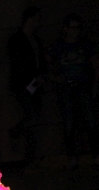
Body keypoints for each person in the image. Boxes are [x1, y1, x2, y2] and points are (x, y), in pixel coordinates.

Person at [47, 13, 99, 169]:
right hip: (66, 88)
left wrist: (95, 86)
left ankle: (95, 154)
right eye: (72, 28)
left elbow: (96, 65)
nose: (75, 31)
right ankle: (72, 156)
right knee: (69, 124)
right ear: (66, 29)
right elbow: (47, 63)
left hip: (83, 87)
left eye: (78, 28)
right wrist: (55, 78)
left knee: (90, 122)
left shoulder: (85, 45)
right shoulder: (59, 47)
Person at [8, 7, 48, 170]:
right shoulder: (17, 40)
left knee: (34, 118)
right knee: (31, 117)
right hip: (23, 85)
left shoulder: (35, 39)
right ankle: (19, 137)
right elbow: (19, 64)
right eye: (36, 19)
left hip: (35, 84)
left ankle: (31, 155)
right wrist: (33, 78)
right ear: (29, 19)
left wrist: (40, 76)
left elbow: (40, 60)